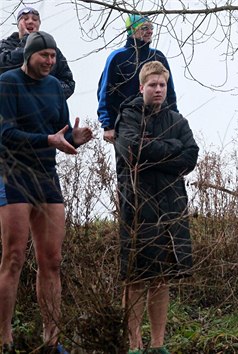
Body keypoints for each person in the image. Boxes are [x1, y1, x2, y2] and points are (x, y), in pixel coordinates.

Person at [0, 31, 93, 354]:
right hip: (14, 173)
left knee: (51, 260)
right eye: (44, 56)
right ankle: (5, 339)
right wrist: (47, 141)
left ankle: (51, 340)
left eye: (53, 56)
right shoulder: (8, 82)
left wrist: (76, 138)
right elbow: (5, 133)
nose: (50, 62)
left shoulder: (55, 87)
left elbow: (61, 133)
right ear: (29, 56)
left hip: (47, 176)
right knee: (13, 257)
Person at [114, 61, 199, 354]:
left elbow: (190, 157)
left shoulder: (177, 120)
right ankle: (135, 345)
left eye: (162, 84)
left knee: (162, 278)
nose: (158, 89)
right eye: (153, 85)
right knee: (137, 278)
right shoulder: (127, 117)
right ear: (142, 87)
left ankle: (158, 345)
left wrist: (159, 149)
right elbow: (133, 152)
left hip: (171, 204)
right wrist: (171, 148)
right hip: (137, 204)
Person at [97, 14, 177, 144]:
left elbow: (170, 91)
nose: (150, 31)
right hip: (126, 123)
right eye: (144, 28)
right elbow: (105, 92)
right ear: (132, 30)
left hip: (158, 123)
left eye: (151, 27)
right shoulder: (118, 57)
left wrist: (175, 120)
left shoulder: (158, 56)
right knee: (129, 162)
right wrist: (108, 125)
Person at [0, 7, 75, 99]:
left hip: (44, 109)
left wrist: (45, 89)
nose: (30, 21)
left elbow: (68, 83)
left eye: (35, 19)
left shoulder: (52, 50)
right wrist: (27, 40)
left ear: (39, 24)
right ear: (18, 24)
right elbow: (5, 66)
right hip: (12, 105)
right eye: (25, 18)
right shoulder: (5, 46)